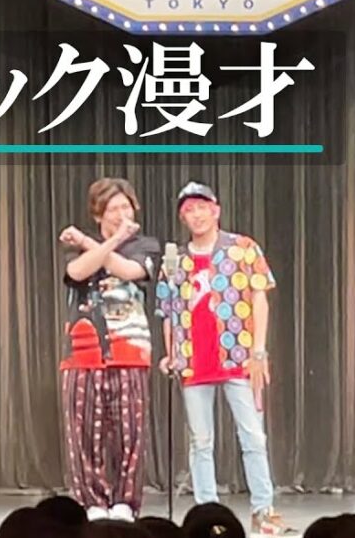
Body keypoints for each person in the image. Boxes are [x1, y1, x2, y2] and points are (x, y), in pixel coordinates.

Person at [157, 182, 297, 536]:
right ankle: (209, 515)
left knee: (253, 437)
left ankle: (264, 511)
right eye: (189, 210)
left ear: (216, 210)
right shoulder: (175, 260)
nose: (197, 215)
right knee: (201, 442)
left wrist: (259, 351)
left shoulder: (243, 248)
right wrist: (170, 353)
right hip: (194, 360)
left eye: (202, 207)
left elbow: (260, 298)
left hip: (239, 357)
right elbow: (167, 311)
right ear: (183, 217)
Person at [60, 177, 161, 521]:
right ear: (98, 214)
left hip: (130, 350)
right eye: (112, 208)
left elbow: (129, 271)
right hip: (83, 353)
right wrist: (100, 242)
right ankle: (92, 503)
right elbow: (78, 271)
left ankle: (124, 503)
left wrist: (101, 241)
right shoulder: (77, 249)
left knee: (129, 434)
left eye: (125, 207)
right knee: (83, 434)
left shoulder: (145, 245)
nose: (121, 214)